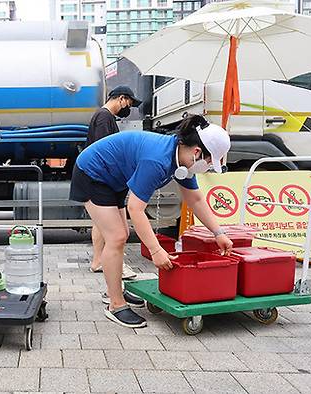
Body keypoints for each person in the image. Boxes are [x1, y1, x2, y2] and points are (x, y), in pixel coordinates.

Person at [69, 114, 233, 328]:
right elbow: (136, 209)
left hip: (114, 178)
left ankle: (114, 291)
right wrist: (156, 251)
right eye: (211, 161)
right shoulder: (157, 160)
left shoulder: (183, 162)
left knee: (121, 236)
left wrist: (218, 233)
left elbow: (195, 199)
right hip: (93, 173)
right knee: (116, 237)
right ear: (197, 152)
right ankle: (115, 305)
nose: (209, 166)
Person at [86, 86, 142, 283]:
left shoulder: (103, 117)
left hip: (100, 177)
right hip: (104, 177)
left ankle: (98, 261)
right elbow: (105, 150)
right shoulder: (104, 117)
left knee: (100, 222)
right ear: (121, 98)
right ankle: (111, 261)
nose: (129, 108)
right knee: (114, 226)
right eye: (130, 103)